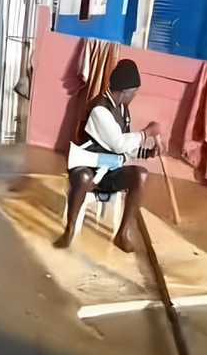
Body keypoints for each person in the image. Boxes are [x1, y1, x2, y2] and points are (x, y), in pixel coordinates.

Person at [54, 59, 163, 253]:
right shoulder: (99, 109)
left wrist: (146, 153)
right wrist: (146, 133)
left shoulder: (123, 110)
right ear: (124, 91)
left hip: (110, 170)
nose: (135, 96)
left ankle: (123, 234)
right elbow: (118, 142)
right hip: (87, 166)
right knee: (84, 177)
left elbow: (123, 149)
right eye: (134, 92)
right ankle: (69, 230)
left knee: (140, 175)